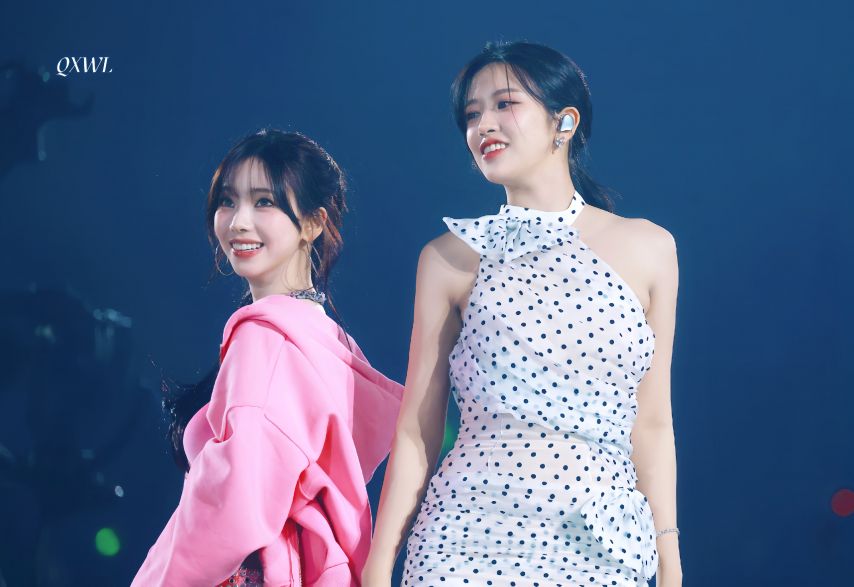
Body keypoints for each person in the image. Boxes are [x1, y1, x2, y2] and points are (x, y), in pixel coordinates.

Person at [363, 42, 682, 586]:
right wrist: (377, 566)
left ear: (564, 122)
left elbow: (651, 424)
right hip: (463, 542)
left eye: (504, 104)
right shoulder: (449, 258)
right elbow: (418, 427)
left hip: (597, 545)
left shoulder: (649, 248)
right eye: (471, 114)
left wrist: (670, 564)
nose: (482, 125)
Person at [133, 129, 404, 586]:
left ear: (313, 223)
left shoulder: (266, 339)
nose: (238, 221)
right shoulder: (324, 339)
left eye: (264, 202)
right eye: (227, 201)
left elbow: (233, 502)